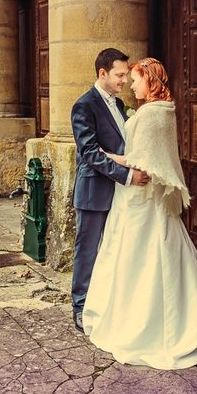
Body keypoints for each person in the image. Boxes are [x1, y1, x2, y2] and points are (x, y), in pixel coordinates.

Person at [82, 57, 197, 369]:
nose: (131, 84)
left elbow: (141, 160)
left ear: (151, 81)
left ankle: (145, 326)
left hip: (142, 197)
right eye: (128, 78)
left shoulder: (152, 115)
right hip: (136, 196)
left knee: (140, 258)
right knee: (138, 256)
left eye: (136, 79)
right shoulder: (158, 111)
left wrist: (111, 157)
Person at [70, 48, 151, 333]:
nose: (124, 80)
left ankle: (104, 303)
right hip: (94, 192)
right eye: (119, 75)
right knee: (88, 251)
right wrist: (128, 175)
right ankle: (80, 306)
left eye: (127, 75)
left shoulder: (118, 105)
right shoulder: (84, 106)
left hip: (120, 195)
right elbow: (91, 153)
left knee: (112, 252)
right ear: (102, 73)